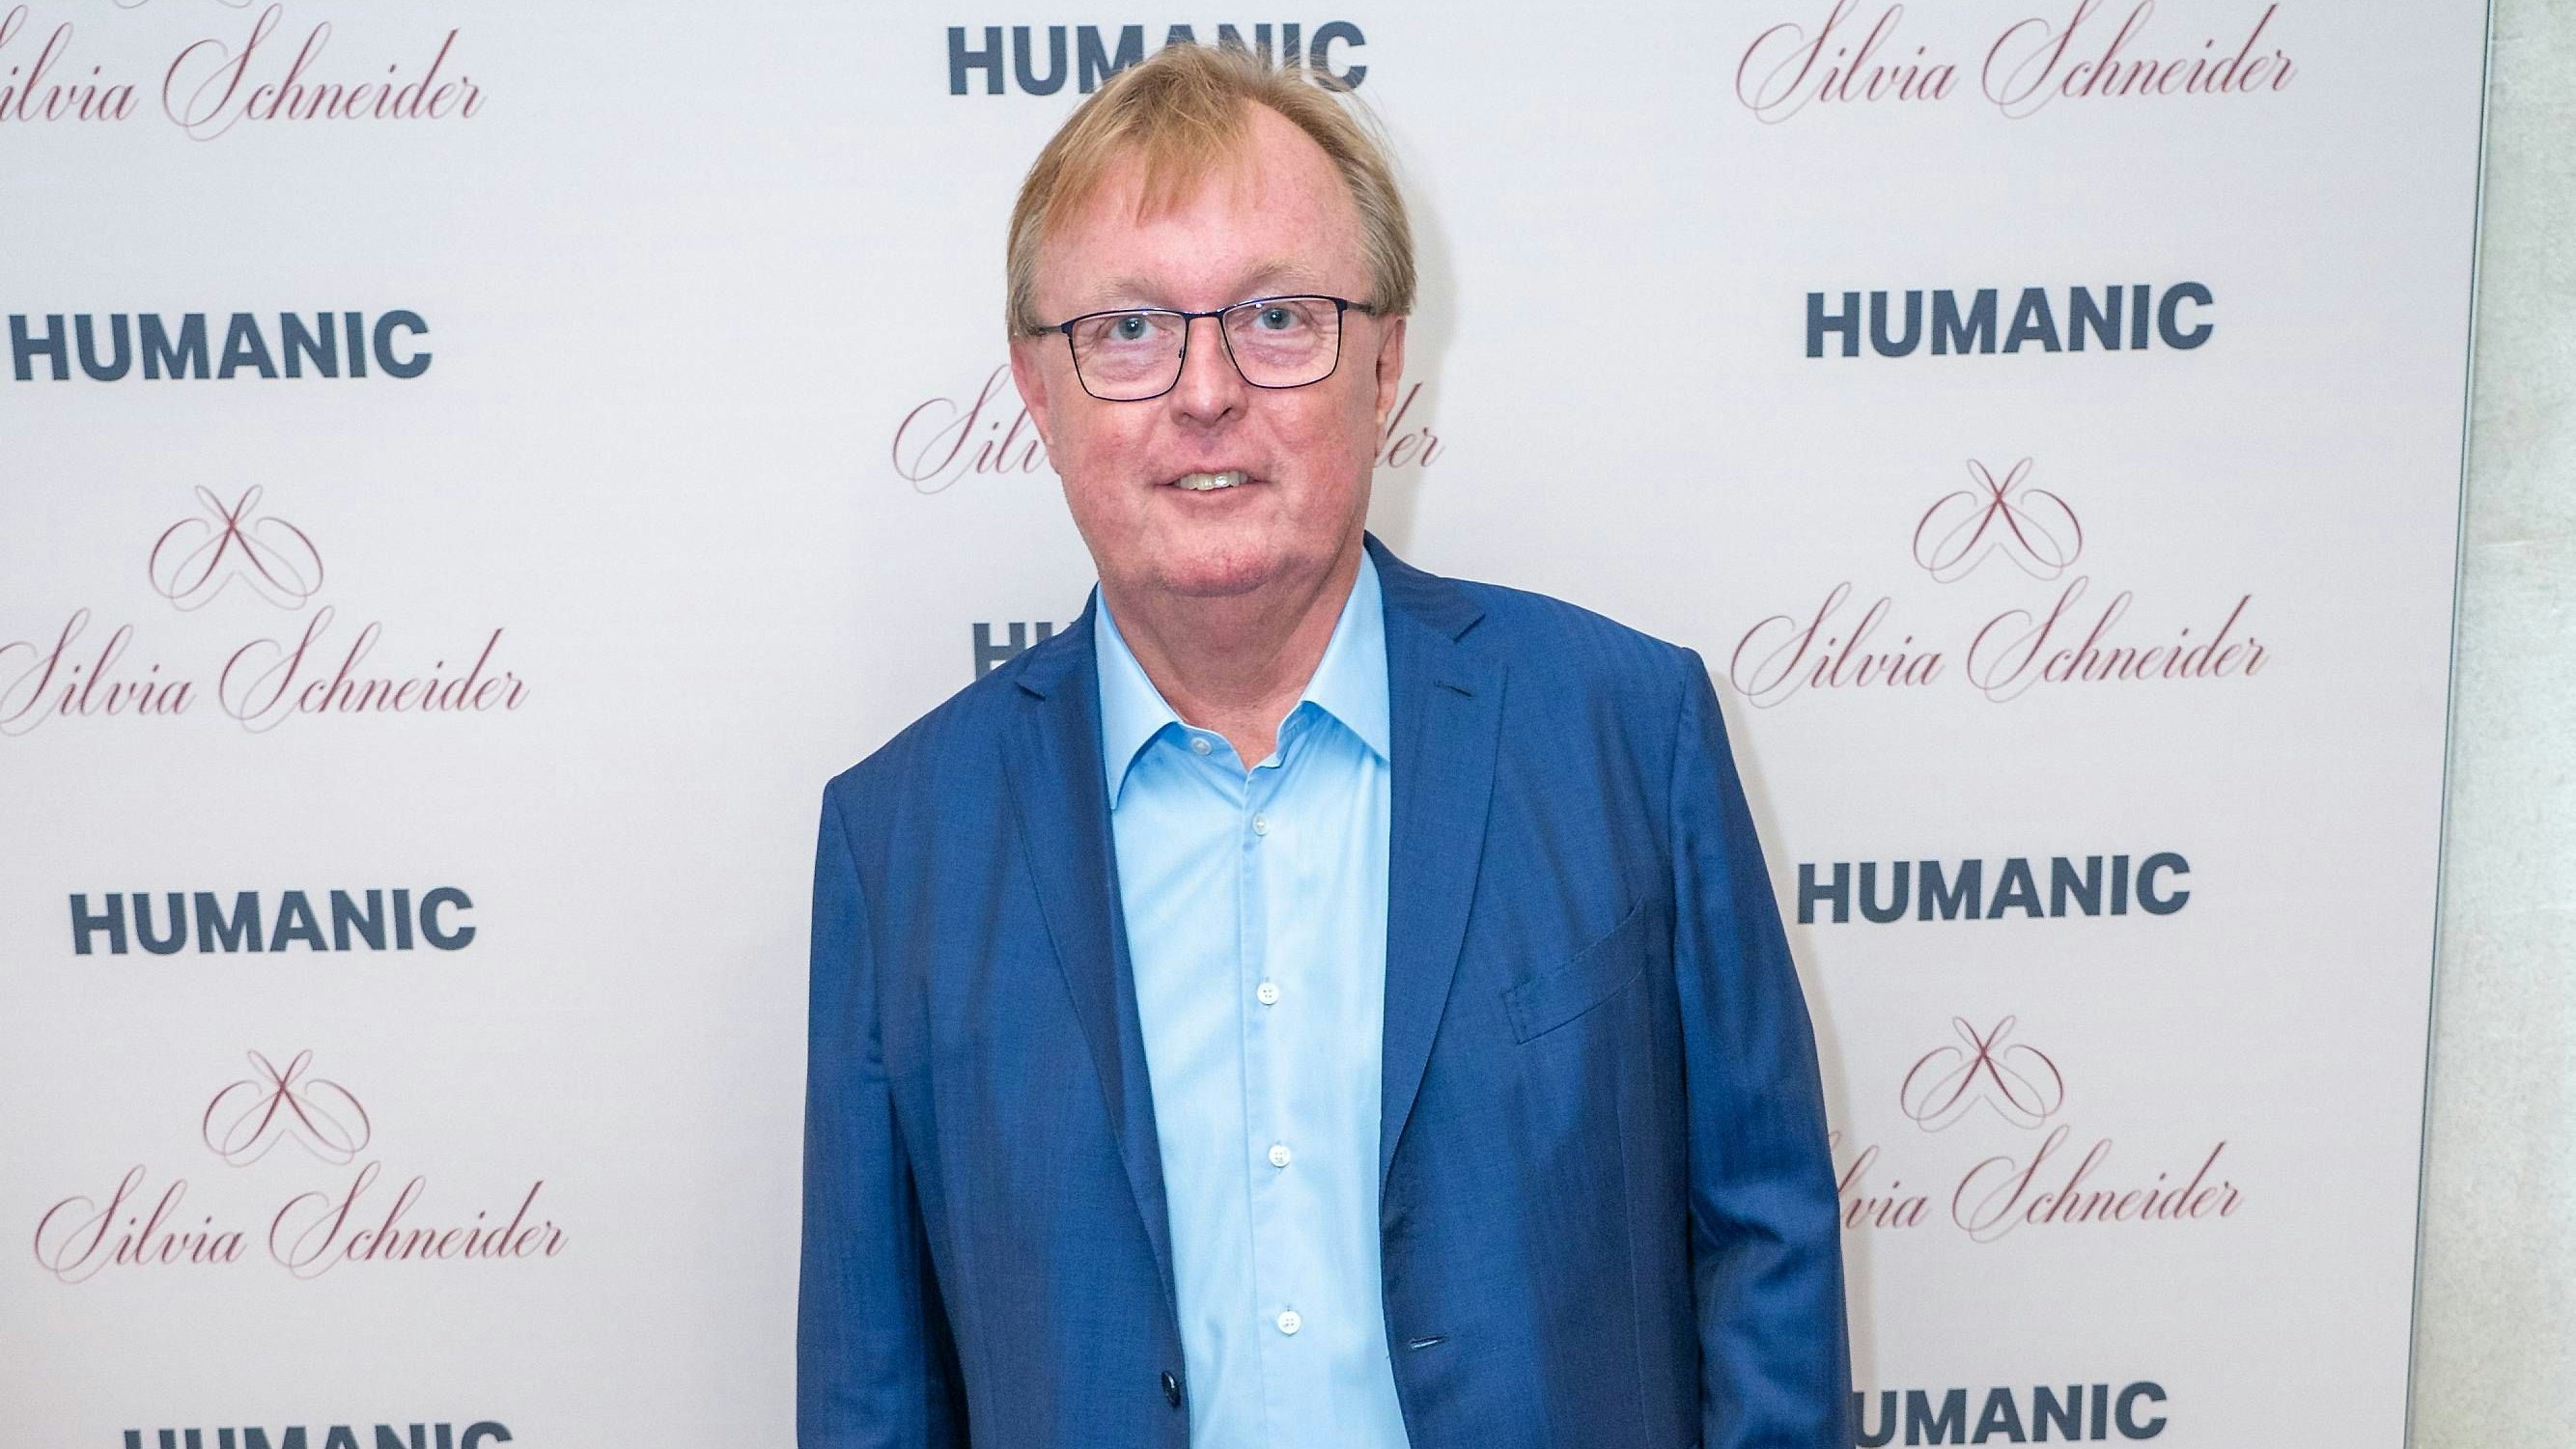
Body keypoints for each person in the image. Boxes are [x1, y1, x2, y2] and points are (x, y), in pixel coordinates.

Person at [799, 42, 1848, 1449]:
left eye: (1278, 317)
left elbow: (1767, 1245)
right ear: (1038, 393)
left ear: (1387, 361)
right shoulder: (902, 841)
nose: (1206, 392)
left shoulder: (1624, 732)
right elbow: (871, 1387)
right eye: (1128, 330)